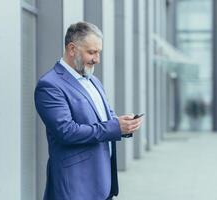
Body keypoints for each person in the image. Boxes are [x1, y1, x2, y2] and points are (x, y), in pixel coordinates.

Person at [34, 22, 143, 200]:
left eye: (98, 52)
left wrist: (124, 124)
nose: (97, 59)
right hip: (76, 187)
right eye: (91, 52)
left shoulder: (94, 81)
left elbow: (105, 120)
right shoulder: (50, 85)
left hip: (103, 184)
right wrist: (115, 127)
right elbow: (66, 132)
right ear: (72, 49)